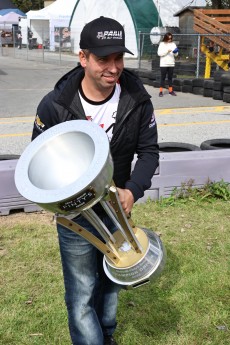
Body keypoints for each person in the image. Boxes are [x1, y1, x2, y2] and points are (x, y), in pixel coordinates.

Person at [31, 16, 159, 345]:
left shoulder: (137, 99)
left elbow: (149, 153)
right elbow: (38, 164)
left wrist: (132, 190)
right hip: (75, 217)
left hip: (117, 212)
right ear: (83, 57)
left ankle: (108, 337)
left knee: (111, 286)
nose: (113, 68)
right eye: (103, 59)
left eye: (119, 58)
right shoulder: (55, 104)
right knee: (82, 292)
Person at [157, 32, 179, 97]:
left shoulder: (173, 44)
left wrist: (175, 52)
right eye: (168, 39)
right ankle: (160, 91)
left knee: (170, 78)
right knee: (163, 78)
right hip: (163, 64)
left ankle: (170, 91)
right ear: (165, 38)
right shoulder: (161, 44)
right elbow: (159, 53)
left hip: (171, 63)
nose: (170, 40)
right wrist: (167, 51)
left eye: (171, 38)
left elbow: (176, 54)